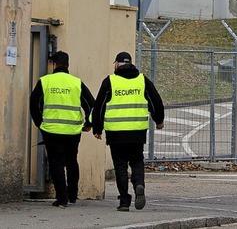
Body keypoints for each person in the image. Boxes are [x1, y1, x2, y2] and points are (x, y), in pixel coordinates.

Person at [92, 51, 164, 212]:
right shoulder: (142, 80)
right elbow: (155, 101)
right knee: (137, 161)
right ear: (131, 63)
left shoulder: (110, 81)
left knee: (120, 166)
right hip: (137, 132)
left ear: (117, 64)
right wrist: (158, 120)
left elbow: (99, 106)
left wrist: (97, 128)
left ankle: (124, 201)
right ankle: (139, 184)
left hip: (116, 134)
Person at [29, 51, 95, 208]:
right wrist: (88, 124)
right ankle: (72, 195)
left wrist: (40, 123)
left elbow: (34, 103)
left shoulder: (45, 82)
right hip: (72, 131)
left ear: (53, 64)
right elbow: (91, 104)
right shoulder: (76, 82)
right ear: (68, 64)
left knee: (56, 163)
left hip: (51, 130)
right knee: (72, 161)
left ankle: (61, 198)